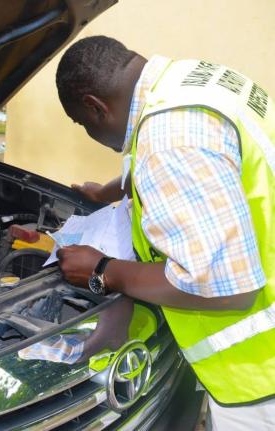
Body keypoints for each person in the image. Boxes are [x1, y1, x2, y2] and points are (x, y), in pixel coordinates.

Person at [54, 36, 275, 429]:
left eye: (81, 123)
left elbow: (227, 288)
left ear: (94, 106)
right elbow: (214, 155)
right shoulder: (191, 81)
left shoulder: (170, 139)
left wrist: (103, 268)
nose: (86, 130)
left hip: (261, 374)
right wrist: (114, 189)